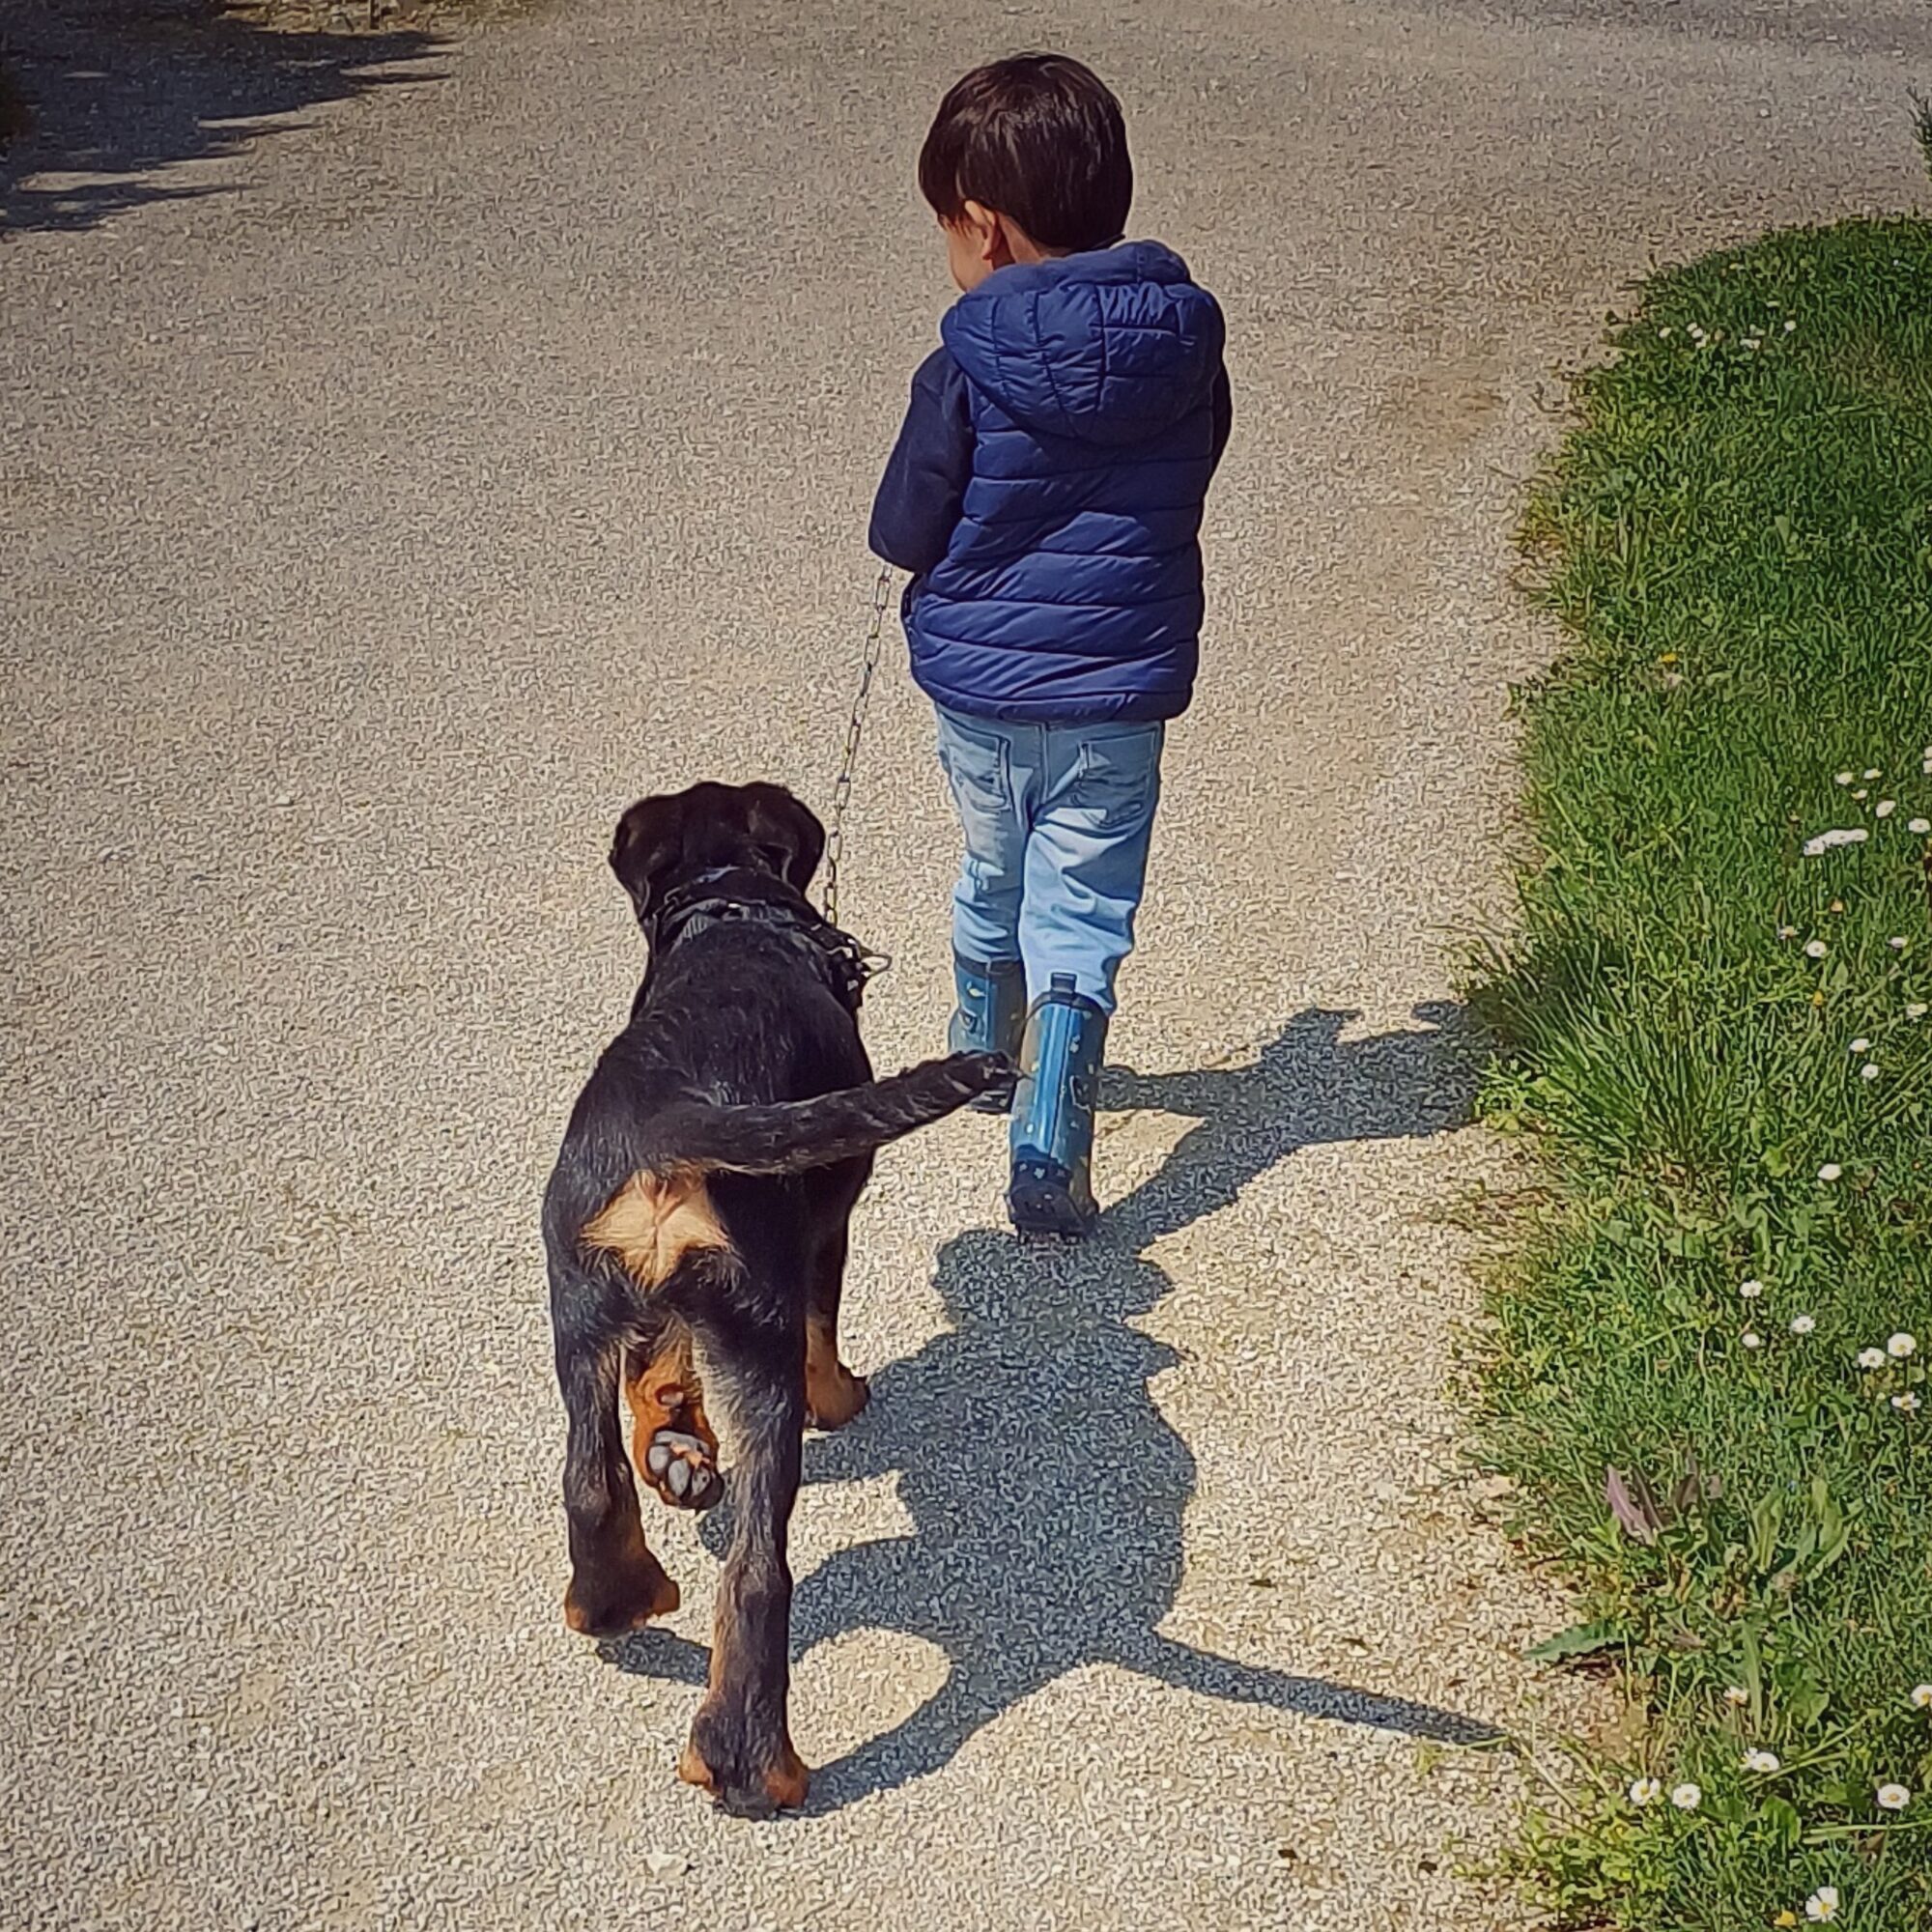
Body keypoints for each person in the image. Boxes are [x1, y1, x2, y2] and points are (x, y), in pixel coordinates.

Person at [868, 52, 1232, 1236]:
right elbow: (1192, 476)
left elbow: (902, 526)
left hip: (980, 692)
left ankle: (980, 1049)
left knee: (992, 865)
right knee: (1081, 905)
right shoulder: (1183, 349)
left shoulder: (961, 367)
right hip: (1117, 690)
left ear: (982, 225)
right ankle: (1048, 1138)